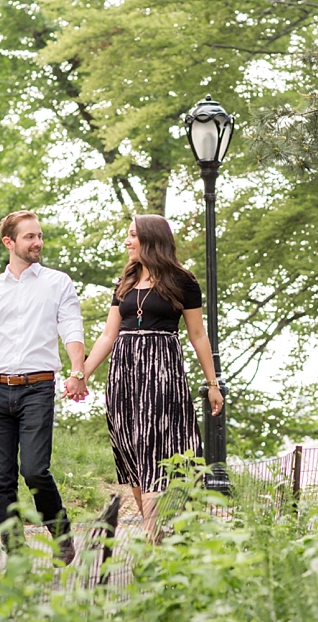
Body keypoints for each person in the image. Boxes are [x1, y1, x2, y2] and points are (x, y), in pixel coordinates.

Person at [73, 214, 223, 540]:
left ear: (150, 239)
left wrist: (212, 384)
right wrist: (80, 372)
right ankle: (156, 537)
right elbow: (108, 336)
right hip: (124, 377)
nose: (127, 242)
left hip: (163, 374)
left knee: (157, 453)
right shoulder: (124, 282)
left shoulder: (183, 281)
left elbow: (198, 335)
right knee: (133, 456)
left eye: (132, 235)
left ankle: (160, 540)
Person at [0, 210, 87, 565]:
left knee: (34, 470)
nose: (38, 242)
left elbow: (71, 327)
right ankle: (15, 553)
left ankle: (60, 532)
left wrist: (78, 369)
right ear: (9, 243)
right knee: (1, 479)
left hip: (37, 390)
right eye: (30, 237)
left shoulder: (58, 283)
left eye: (39, 235)